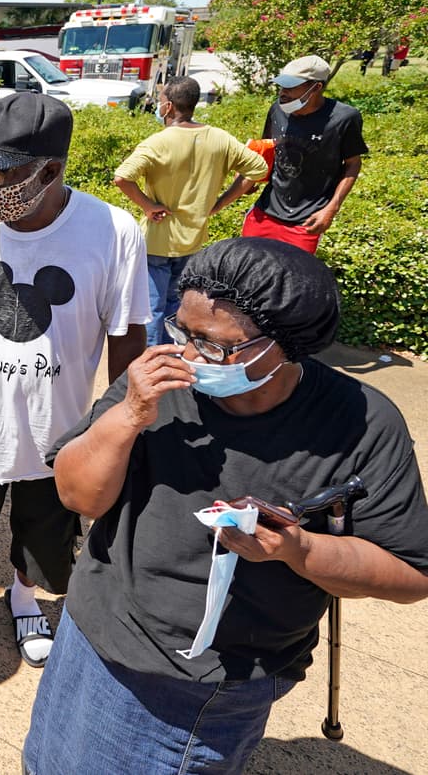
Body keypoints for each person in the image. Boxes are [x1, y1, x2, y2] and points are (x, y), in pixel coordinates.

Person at [25, 237, 428, 773]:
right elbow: (77, 495)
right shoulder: (158, 378)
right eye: (183, 332)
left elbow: (410, 575)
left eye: (215, 346)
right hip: (94, 624)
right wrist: (130, 414)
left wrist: (297, 548)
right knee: (47, 760)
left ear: (286, 345)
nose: (192, 358)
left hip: (205, 679)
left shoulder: (361, 424)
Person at [0, 94, 149, 668]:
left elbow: (126, 338)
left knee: (45, 532)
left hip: (59, 431)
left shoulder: (113, 231)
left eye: (1, 174)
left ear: (49, 172)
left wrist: (117, 427)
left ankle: (24, 599)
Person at [113, 77, 270, 345]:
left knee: (151, 309)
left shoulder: (157, 143)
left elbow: (122, 178)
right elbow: (259, 168)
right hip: (194, 240)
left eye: (160, 101)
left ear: (169, 106)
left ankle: (153, 359)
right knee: (176, 305)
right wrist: (220, 202)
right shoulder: (220, 138)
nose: (159, 106)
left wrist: (149, 206)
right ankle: (174, 352)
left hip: (157, 241)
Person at [222, 55, 367, 255]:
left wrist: (332, 208)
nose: (283, 92)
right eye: (282, 86)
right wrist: (250, 175)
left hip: (306, 221)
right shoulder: (277, 109)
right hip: (264, 212)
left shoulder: (344, 118)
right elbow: (267, 148)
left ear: (316, 87)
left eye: (290, 87)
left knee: (292, 273)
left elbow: (353, 164)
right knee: (248, 267)